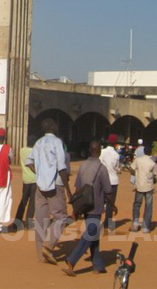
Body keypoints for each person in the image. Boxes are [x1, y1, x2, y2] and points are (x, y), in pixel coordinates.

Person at [62, 140, 116, 277]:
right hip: (96, 207)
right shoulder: (102, 168)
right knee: (91, 234)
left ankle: (98, 265)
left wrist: (76, 208)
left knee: (94, 235)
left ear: (90, 150)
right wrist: (113, 205)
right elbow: (108, 191)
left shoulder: (83, 165)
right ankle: (72, 260)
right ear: (99, 151)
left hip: (85, 206)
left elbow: (78, 188)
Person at [26, 118, 74, 265]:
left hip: (40, 186)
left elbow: (29, 162)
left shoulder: (38, 143)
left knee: (41, 220)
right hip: (55, 185)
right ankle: (48, 246)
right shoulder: (57, 142)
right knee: (61, 217)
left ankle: (41, 254)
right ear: (53, 127)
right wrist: (68, 190)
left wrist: (40, 173)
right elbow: (61, 168)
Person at [129, 145, 157, 233]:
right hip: (149, 186)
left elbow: (131, 168)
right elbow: (154, 175)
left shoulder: (138, 160)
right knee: (148, 206)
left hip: (139, 185)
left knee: (137, 204)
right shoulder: (152, 163)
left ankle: (135, 224)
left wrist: (135, 174)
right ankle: (145, 227)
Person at [14, 135, 37, 230]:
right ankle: (28, 222)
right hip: (35, 179)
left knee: (23, 200)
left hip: (26, 179)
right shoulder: (35, 152)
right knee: (32, 202)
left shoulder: (22, 150)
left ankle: (17, 222)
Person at [100, 134, 121, 232]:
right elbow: (117, 168)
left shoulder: (102, 152)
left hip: (103, 180)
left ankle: (96, 222)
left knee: (100, 201)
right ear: (115, 143)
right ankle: (108, 223)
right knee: (111, 202)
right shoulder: (116, 155)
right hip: (113, 180)